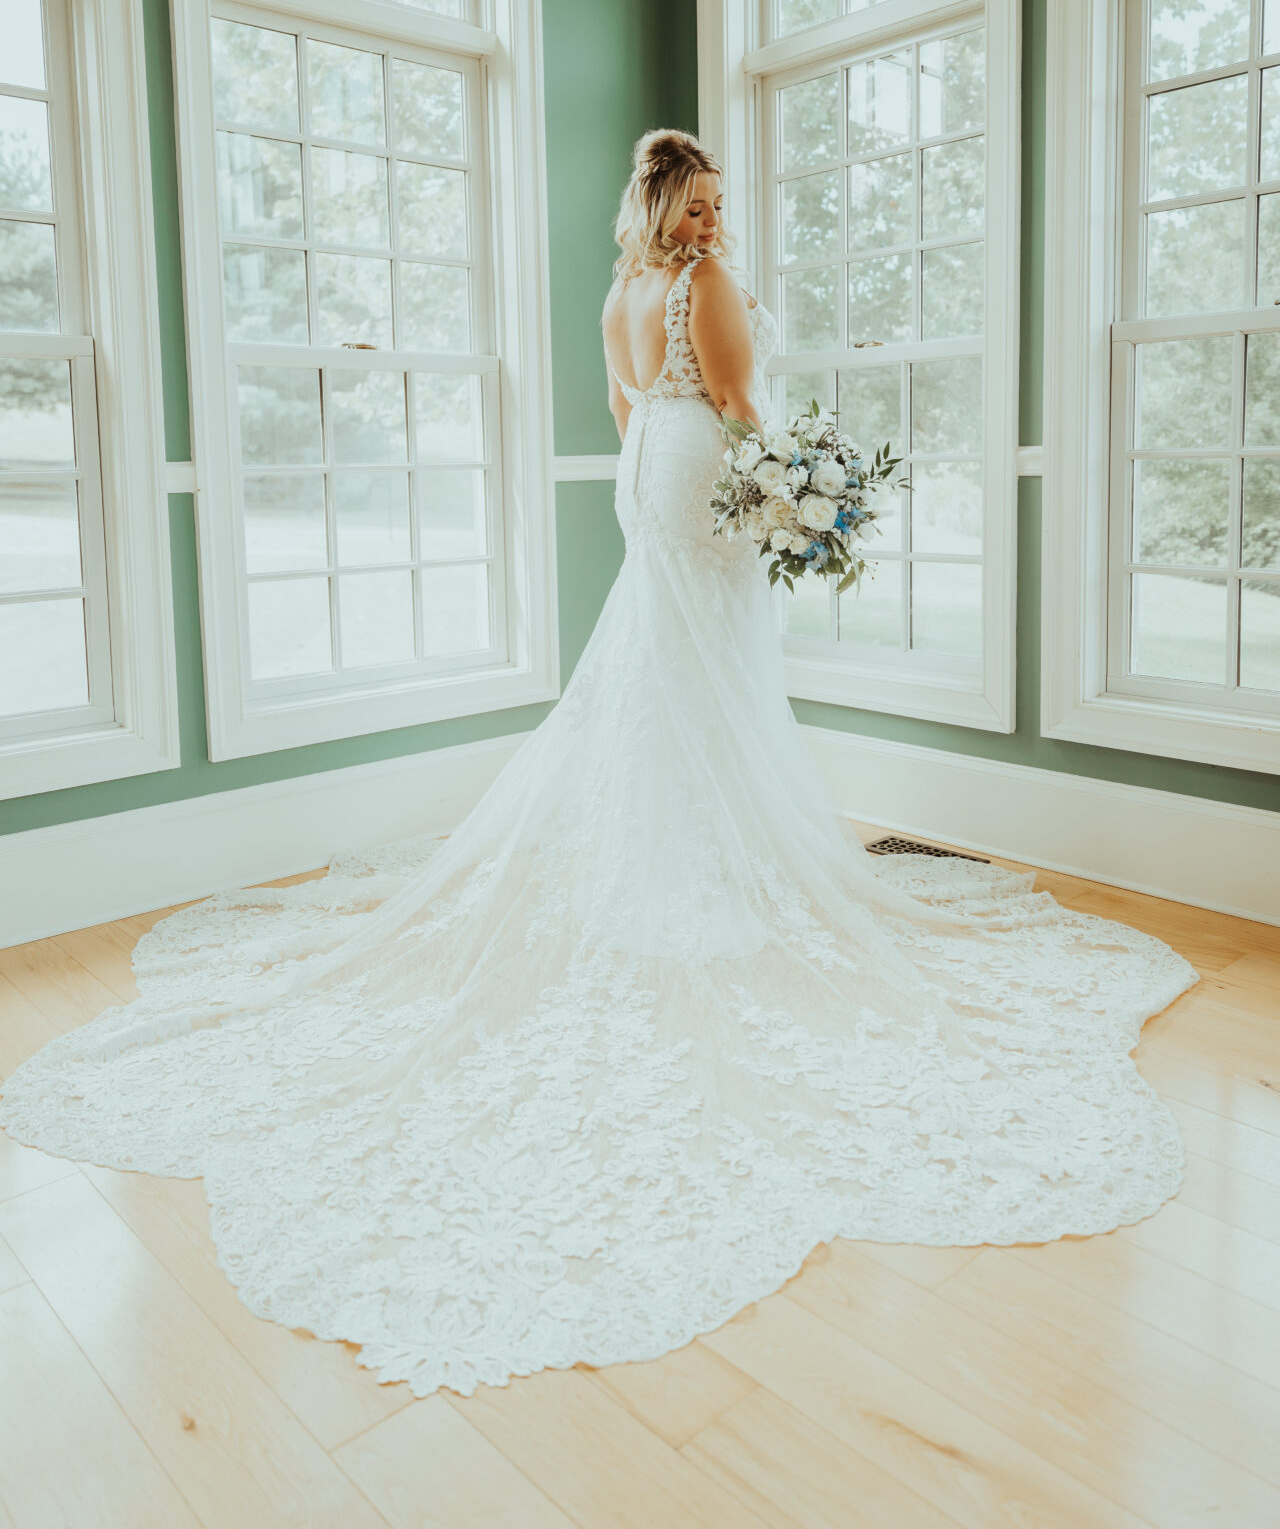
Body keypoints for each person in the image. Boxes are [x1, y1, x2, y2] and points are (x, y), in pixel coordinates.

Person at [0, 128, 1197, 1400]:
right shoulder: (701, 287)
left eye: (722, 207)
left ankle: (664, 856)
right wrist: (804, 482)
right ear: (671, 205)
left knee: (660, 679)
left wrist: (705, 459)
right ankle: (710, 875)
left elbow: (627, 407)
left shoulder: (621, 292)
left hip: (646, 472)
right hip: (702, 476)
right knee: (710, 678)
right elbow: (737, 405)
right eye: (704, 204)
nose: (716, 224)